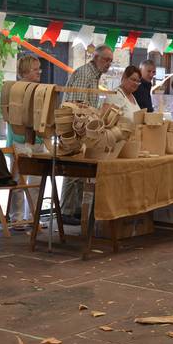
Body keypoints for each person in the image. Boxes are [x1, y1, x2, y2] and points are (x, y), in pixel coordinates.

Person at [60, 45, 113, 223]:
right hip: (75, 126)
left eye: (111, 61)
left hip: (82, 126)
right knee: (73, 170)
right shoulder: (85, 74)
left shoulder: (94, 75)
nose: (109, 64)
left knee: (80, 171)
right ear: (96, 57)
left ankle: (76, 210)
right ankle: (66, 211)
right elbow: (79, 106)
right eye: (106, 60)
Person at [8, 54, 43, 228]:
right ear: (25, 71)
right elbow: (15, 118)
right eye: (35, 69)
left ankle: (34, 216)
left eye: (39, 69)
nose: (39, 72)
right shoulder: (16, 90)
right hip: (19, 140)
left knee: (36, 182)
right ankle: (17, 217)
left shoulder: (40, 90)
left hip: (37, 141)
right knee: (19, 180)